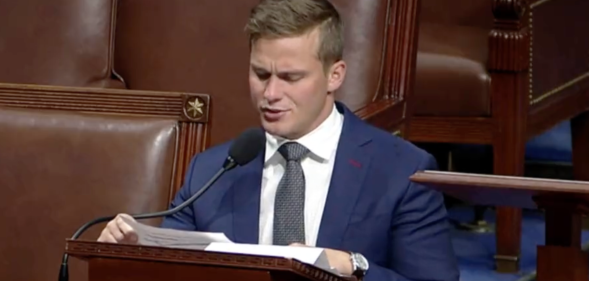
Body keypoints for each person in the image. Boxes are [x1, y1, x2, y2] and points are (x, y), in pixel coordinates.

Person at [98, 0, 459, 280]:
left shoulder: (401, 171)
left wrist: (355, 265)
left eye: (290, 77)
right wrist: (132, 256)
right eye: (261, 74)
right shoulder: (210, 172)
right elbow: (174, 270)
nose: (270, 93)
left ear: (335, 75)